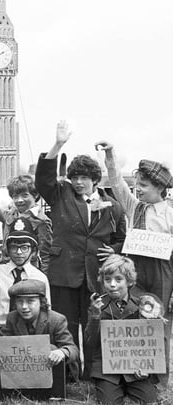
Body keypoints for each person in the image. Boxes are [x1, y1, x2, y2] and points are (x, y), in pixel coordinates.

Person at [35, 121, 126, 376]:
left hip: (95, 277)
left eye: (83, 177)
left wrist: (115, 251)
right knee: (64, 326)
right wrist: (59, 144)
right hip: (63, 274)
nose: (78, 182)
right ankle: (67, 376)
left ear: (95, 179)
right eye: (74, 177)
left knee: (93, 325)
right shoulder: (61, 194)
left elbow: (122, 238)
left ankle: (94, 375)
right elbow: (43, 179)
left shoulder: (113, 205)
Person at [97, 141, 173, 387]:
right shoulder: (134, 206)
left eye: (143, 185)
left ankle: (159, 379)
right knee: (132, 315)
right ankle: (131, 373)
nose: (137, 189)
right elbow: (117, 182)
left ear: (160, 187)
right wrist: (109, 154)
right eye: (137, 184)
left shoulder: (170, 213)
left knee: (158, 319)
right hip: (135, 267)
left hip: (161, 268)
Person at [84, 255, 159, 405]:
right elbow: (90, 342)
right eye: (108, 279)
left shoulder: (142, 305)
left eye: (118, 279)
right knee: (109, 403)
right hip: (107, 369)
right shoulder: (97, 306)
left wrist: (147, 367)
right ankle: (113, 387)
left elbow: (152, 343)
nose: (112, 284)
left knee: (148, 401)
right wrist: (95, 316)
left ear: (129, 281)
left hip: (135, 367)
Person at [0, 279, 79, 377]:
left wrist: (61, 352)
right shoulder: (12, 318)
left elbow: (73, 350)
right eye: (20, 302)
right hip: (24, 375)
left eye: (30, 301)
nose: (24, 306)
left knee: (52, 348)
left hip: (54, 374)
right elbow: (3, 342)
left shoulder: (56, 319)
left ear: (41, 302)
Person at [0, 219, 50, 342]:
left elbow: (46, 310)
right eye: (14, 247)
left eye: (24, 247)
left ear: (33, 251)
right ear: (7, 249)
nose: (19, 253)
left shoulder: (40, 277)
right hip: (1, 329)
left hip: (30, 332)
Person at [0, 172, 52, 273]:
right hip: (5, 268)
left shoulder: (41, 220)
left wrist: (43, 279)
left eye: (25, 195)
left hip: (28, 271)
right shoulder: (9, 215)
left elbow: (46, 255)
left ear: (35, 195)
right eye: (15, 196)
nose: (19, 200)